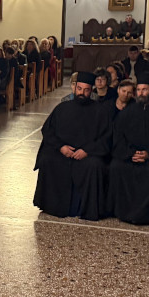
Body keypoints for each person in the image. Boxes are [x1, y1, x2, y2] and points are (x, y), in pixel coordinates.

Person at [33, 73, 112, 220]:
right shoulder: (62, 108)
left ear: (91, 90)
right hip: (63, 152)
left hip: (87, 154)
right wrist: (61, 147)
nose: (82, 93)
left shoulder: (100, 111)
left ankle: (86, 209)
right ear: (75, 88)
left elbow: (106, 138)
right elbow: (48, 130)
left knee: (94, 165)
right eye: (79, 89)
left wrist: (87, 151)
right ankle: (52, 206)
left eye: (86, 90)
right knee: (47, 159)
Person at [110, 73, 149, 225]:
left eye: (144, 89)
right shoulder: (126, 113)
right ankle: (124, 212)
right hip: (130, 155)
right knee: (117, 166)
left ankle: (148, 214)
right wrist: (130, 153)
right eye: (138, 90)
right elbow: (118, 137)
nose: (141, 93)